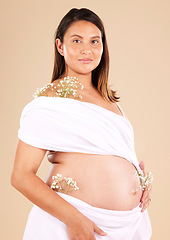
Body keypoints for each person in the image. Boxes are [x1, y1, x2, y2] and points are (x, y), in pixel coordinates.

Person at [11, 8, 153, 240]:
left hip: (127, 226)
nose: (87, 49)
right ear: (60, 46)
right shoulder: (49, 101)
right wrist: (73, 218)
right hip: (72, 224)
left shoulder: (110, 101)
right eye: (77, 41)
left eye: (94, 41)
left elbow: (111, 154)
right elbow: (20, 175)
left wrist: (139, 181)